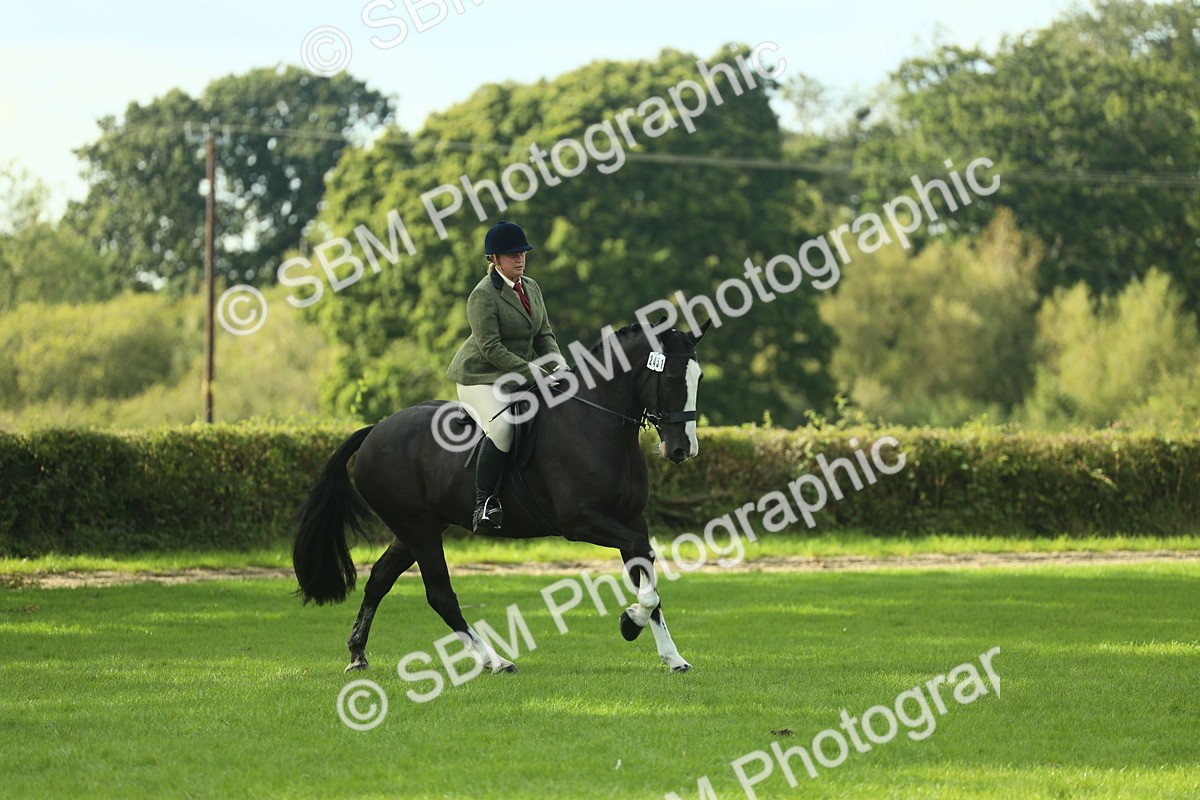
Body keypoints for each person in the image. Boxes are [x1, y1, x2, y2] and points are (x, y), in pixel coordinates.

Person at [446, 220, 564, 532]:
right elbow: (490, 348)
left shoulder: (532, 287)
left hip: (516, 374)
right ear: (495, 260)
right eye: (512, 255)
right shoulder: (483, 295)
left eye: (523, 253)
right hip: (480, 376)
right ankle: (484, 502)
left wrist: (559, 366)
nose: (520, 259)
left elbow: (543, 335)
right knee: (502, 428)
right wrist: (534, 371)